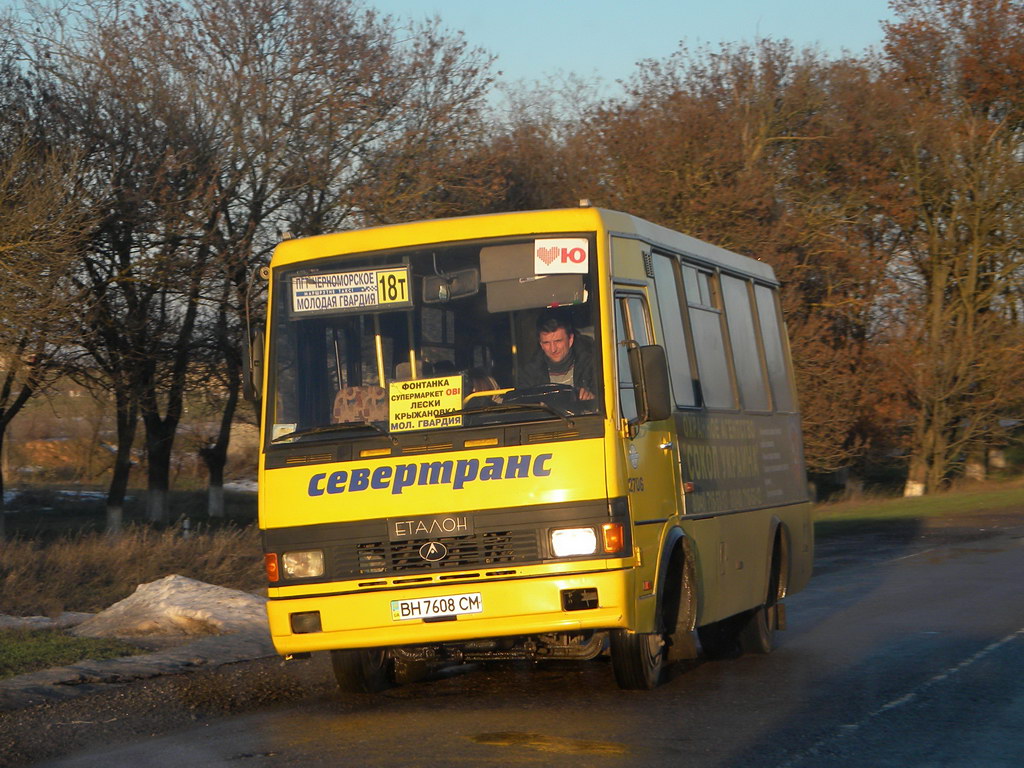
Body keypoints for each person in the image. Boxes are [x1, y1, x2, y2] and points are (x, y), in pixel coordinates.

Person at [519, 311, 595, 400]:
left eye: (558, 341)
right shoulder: (530, 375)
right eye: (546, 343)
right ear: (541, 344)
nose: (553, 349)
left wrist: (592, 399)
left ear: (570, 340)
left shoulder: (592, 366)